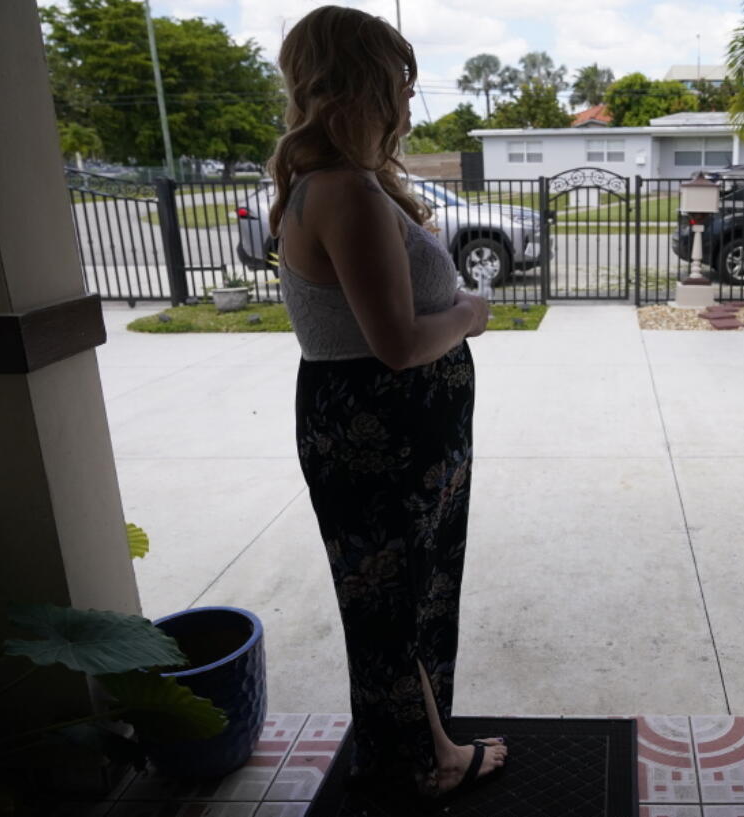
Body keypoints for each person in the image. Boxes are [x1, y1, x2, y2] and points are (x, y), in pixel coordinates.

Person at [266, 5, 508, 800]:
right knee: (394, 601)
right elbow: (399, 344)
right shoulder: (346, 193)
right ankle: (423, 760)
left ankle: (421, 745)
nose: (407, 104)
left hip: (381, 427)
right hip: (386, 430)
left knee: (397, 597)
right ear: (360, 85)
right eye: (398, 84)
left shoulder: (332, 184)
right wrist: (471, 313)